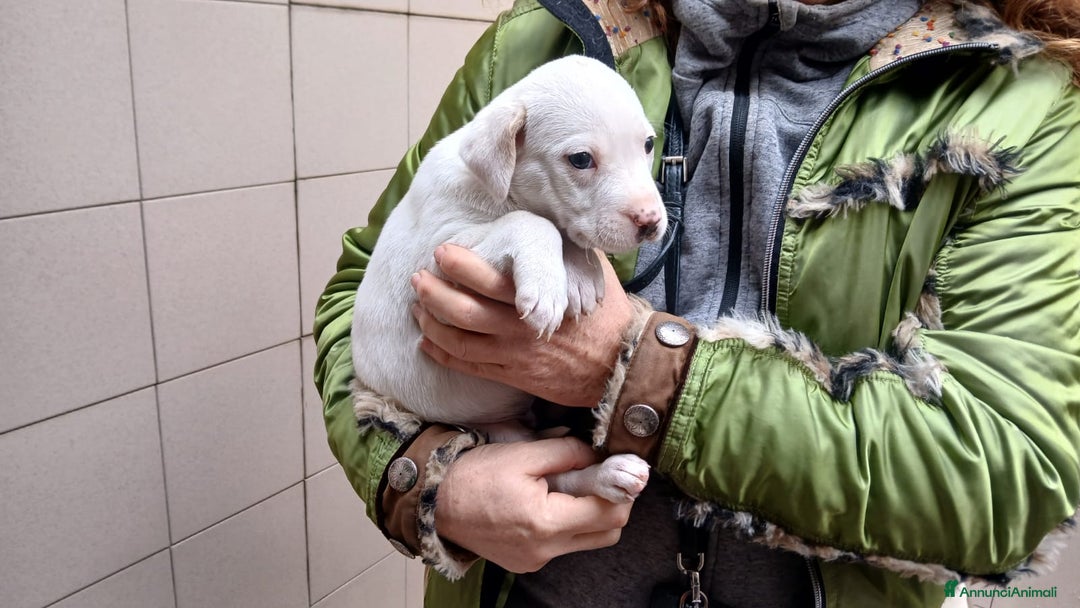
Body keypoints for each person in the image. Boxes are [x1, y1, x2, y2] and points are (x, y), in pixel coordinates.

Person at [314, 0, 1080, 606]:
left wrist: (638, 368)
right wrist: (425, 481)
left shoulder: (1022, 102)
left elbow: (1011, 479)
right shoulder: (548, 37)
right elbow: (364, 293)